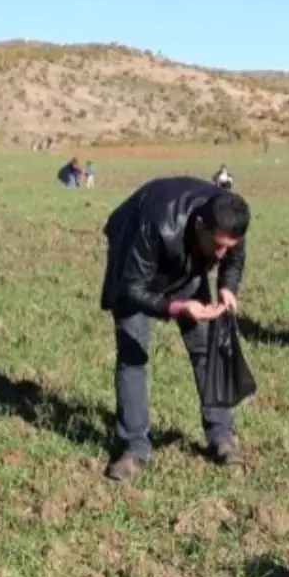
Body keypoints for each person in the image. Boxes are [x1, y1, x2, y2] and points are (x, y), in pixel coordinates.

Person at [99, 176, 251, 481]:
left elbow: (233, 255)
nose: (221, 255)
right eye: (217, 246)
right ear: (199, 226)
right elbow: (133, 287)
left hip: (185, 262)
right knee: (133, 354)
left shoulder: (229, 218)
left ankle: (221, 435)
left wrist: (226, 287)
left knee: (205, 347)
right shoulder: (155, 225)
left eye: (228, 246)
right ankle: (133, 447)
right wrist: (177, 307)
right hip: (134, 262)